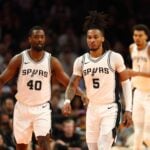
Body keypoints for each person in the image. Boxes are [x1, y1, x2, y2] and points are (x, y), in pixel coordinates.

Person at [0, 26, 87, 150]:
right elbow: (2, 79)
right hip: (22, 107)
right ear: (30, 39)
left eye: (42, 37)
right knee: (21, 146)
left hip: (42, 108)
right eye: (36, 37)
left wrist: (82, 93)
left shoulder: (52, 61)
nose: (39, 40)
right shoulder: (19, 59)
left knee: (44, 142)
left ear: (45, 39)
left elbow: (67, 82)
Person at [63, 11, 132, 150]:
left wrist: (129, 109)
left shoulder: (114, 57)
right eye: (89, 37)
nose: (92, 40)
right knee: (93, 147)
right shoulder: (80, 61)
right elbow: (72, 85)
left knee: (104, 145)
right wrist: (67, 100)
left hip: (111, 108)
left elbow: (125, 82)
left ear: (102, 39)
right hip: (92, 109)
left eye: (95, 37)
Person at [129, 24, 150, 150]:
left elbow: (136, 72)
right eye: (135, 35)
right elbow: (135, 69)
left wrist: (135, 73)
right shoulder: (132, 48)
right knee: (137, 133)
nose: (137, 38)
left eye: (140, 35)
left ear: (146, 36)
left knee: (147, 136)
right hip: (138, 92)